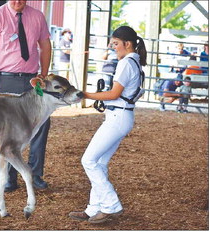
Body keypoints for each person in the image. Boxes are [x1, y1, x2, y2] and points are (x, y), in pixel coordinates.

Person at [69, 26, 147, 224]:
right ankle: (94, 209)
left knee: (88, 160)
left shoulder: (126, 63)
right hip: (121, 116)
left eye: (115, 44)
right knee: (99, 162)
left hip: (117, 117)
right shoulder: (134, 63)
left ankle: (111, 205)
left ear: (126, 44)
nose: (113, 48)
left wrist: (85, 94)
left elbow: (113, 94)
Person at [0, 0, 52, 192]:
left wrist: (43, 76)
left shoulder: (37, 16)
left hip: (33, 80)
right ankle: (9, 178)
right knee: (7, 131)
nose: (17, 1)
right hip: (6, 79)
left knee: (42, 124)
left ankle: (36, 174)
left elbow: (45, 46)